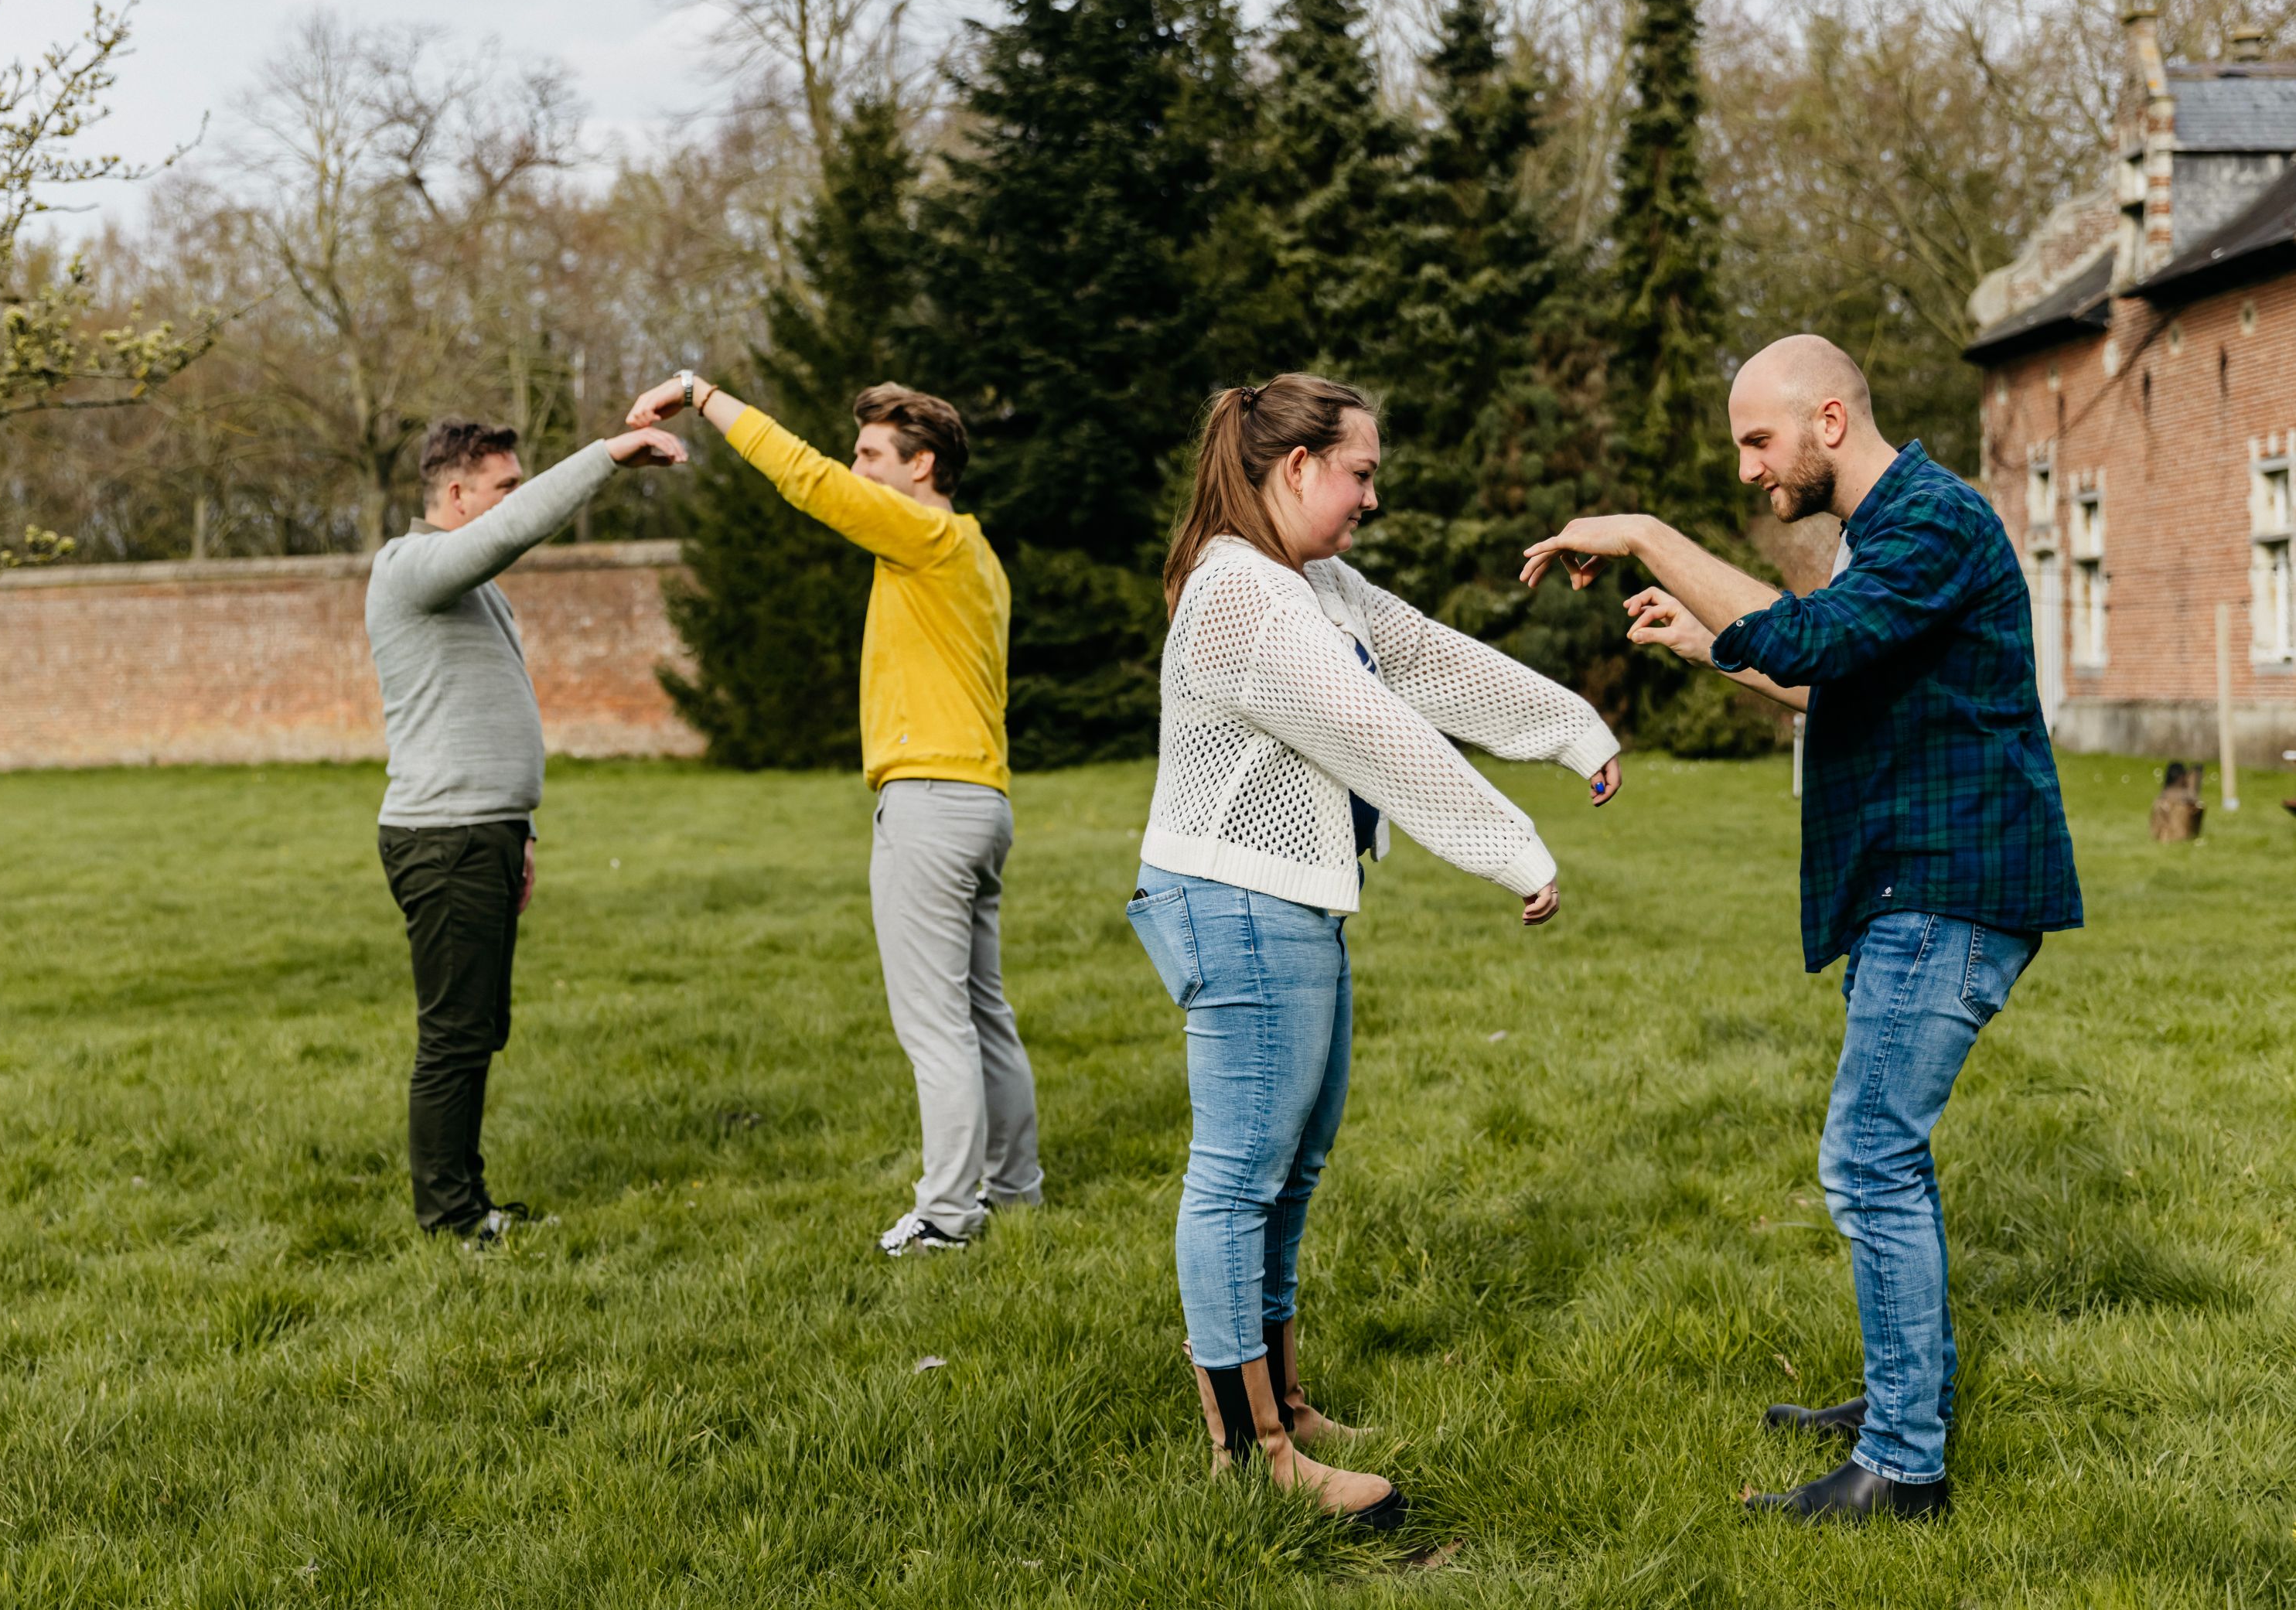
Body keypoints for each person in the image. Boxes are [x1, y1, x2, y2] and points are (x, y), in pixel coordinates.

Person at [1521, 333, 2084, 1523]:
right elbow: (1832, 680)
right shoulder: (1888, 537)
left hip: (1950, 890)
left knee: (1869, 1157)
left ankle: (1904, 1465)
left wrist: (1641, 530)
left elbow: (1815, 641)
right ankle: (1899, 1399)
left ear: (1829, 421)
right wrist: (1708, 641)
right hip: (1911, 889)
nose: (1746, 470)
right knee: (1882, 1156)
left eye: (1756, 441)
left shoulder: (1934, 520)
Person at [1131, 374, 1622, 1529]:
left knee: (1288, 1174)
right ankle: (1247, 1452)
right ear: (1294, 467)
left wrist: (1573, 729)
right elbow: (1374, 733)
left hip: (1290, 904)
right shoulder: (1241, 593)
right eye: (1359, 474)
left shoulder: (1317, 585)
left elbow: (1432, 663)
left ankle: (1287, 1405)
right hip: (1236, 902)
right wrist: (1512, 845)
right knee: (1239, 1177)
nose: (1368, 499)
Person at [625, 371, 1040, 1257]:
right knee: (981, 1012)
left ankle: (948, 1217)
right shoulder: (970, 551)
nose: (854, 468)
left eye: (870, 455)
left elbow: (804, 479)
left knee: (935, 1023)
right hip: (981, 799)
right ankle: (1015, 1190)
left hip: (929, 803)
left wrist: (702, 396)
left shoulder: (921, 533)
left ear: (920, 464)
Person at [367, 415, 686, 1246]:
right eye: (505, 484)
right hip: (444, 837)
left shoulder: (471, 588)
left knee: (477, 1028)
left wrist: (525, 830)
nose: (515, 500)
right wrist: (609, 453)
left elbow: (491, 707)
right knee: (453, 1033)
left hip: (487, 832)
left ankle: (470, 1201)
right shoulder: (410, 567)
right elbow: (515, 528)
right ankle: (451, 1220)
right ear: (456, 492)